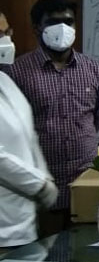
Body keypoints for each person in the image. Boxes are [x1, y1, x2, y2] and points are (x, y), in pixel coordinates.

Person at [7, 0, 99, 235]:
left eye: (68, 21)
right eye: (52, 22)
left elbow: (96, 118)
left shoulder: (94, 69)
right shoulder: (16, 72)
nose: (62, 28)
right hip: (42, 187)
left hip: (85, 183)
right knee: (44, 253)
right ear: (36, 28)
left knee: (86, 252)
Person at [0, 67, 57, 248]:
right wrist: (38, 183)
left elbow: (29, 135)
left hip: (25, 221)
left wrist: (44, 177)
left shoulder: (4, 80)